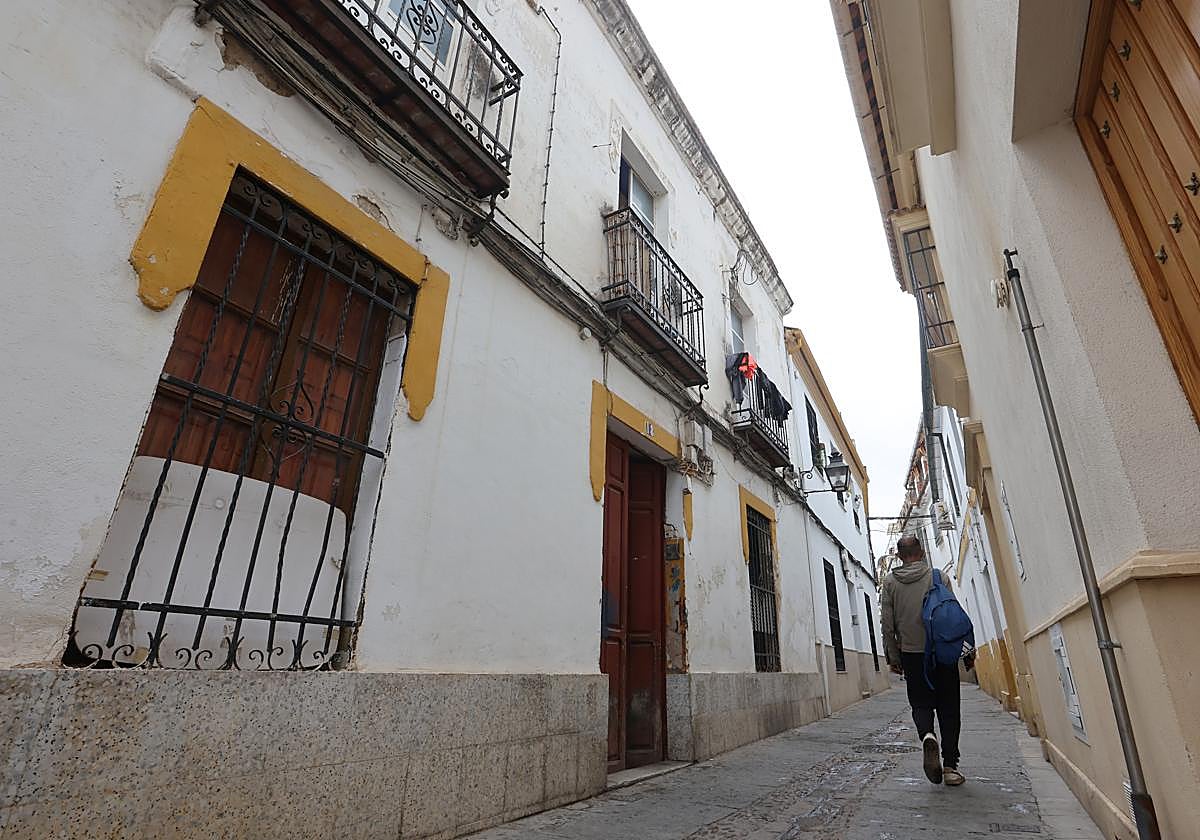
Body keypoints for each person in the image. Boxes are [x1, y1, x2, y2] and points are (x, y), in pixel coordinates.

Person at [880, 535, 974, 786]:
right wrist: (966, 652)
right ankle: (951, 767)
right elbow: (954, 616)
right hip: (942, 652)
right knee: (949, 707)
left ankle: (927, 734)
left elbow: (887, 625)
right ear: (921, 552)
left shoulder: (889, 583)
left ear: (899, 557)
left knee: (921, 704)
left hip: (912, 654)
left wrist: (893, 656)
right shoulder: (938, 577)